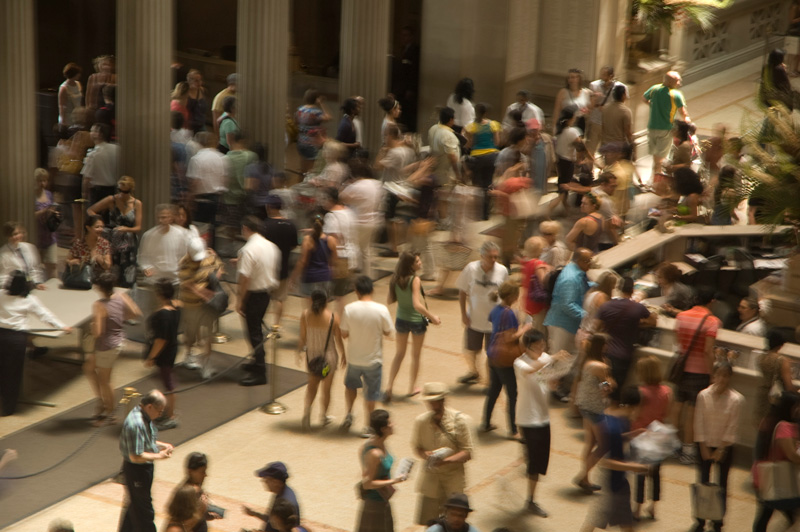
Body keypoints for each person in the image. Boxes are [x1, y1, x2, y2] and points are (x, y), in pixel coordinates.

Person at [580, 387, 650, 532]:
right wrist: (633, 467)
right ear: (634, 406)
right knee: (596, 520)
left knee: (622, 522)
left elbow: (617, 439)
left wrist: (632, 434)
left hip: (619, 482)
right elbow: (606, 462)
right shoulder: (614, 426)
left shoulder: (620, 420)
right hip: (610, 483)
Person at [0, 271, 69, 416]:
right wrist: (61, 326)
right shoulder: (29, 299)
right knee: (13, 373)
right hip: (16, 338)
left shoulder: (1, 294)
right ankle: (8, 408)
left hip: (1, 334)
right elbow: (44, 314)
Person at [515, 329, 565, 517]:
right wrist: (552, 358)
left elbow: (548, 382)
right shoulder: (519, 363)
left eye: (543, 346)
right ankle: (531, 500)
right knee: (535, 464)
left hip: (543, 415)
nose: (541, 349)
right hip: (527, 418)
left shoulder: (544, 358)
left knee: (540, 461)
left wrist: (555, 380)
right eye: (537, 347)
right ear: (527, 348)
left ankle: (528, 459)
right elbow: (530, 370)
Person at [412, 383, 475, 525]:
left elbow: (468, 452)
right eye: (430, 402)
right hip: (430, 480)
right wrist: (425, 455)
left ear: (443, 400)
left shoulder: (460, 421)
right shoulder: (421, 422)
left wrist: (446, 461)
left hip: (453, 480)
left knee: (455, 522)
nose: (433, 405)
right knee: (430, 523)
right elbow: (417, 447)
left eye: (436, 401)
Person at [672, 287, 721, 464]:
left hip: (681, 369)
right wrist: (712, 373)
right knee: (692, 412)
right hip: (699, 371)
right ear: (712, 302)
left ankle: (672, 444)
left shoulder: (681, 316)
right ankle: (688, 450)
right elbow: (708, 351)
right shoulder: (712, 321)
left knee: (677, 407)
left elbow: (678, 341)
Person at [340, 275, 394, 437]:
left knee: (350, 386)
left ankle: (349, 413)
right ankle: (368, 426)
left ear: (356, 291)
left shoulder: (349, 309)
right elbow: (389, 333)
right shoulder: (381, 309)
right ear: (372, 289)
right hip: (373, 360)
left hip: (354, 359)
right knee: (371, 394)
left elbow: (344, 334)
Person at [692, 360, 743, 532]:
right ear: (713, 376)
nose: (722, 379)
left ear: (730, 378)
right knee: (702, 482)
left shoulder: (736, 399)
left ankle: (718, 521)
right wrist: (703, 446)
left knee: (722, 484)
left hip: (725, 446)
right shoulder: (703, 395)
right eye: (719, 374)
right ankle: (699, 520)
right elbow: (698, 422)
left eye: (726, 375)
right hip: (705, 445)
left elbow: (732, 426)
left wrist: (722, 449)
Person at [86, 272, 142, 426]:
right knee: (89, 368)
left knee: (106, 380)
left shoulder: (99, 305)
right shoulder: (121, 296)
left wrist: (92, 326)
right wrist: (119, 318)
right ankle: (101, 401)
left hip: (106, 346)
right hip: (117, 341)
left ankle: (110, 414)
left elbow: (97, 332)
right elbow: (136, 312)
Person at [385, 252, 441, 402]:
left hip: (401, 319)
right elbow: (417, 305)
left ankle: (389, 386)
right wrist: (432, 317)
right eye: (417, 261)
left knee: (399, 354)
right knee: (415, 356)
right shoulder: (414, 280)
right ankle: (411, 388)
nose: (420, 262)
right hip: (416, 321)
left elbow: (389, 300)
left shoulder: (395, 279)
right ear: (411, 265)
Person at [118, 389, 174, 532]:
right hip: (136, 470)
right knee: (144, 512)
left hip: (143, 469)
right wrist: (159, 456)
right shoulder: (136, 423)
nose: (160, 415)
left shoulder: (145, 417)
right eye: (159, 411)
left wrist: (162, 445)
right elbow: (135, 455)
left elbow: (147, 441)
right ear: (149, 407)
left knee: (134, 508)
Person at [482, 280, 531, 437]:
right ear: (512, 296)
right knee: (512, 394)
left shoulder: (496, 309)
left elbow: (492, 321)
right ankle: (513, 430)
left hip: (493, 355)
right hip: (505, 359)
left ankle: (486, 423)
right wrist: (525, 328)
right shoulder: (509, 313)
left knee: (494, 390)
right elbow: (511, 337)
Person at [456, 241, 508, 385]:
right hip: (474, 318)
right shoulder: (471, 268)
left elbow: (507, 293)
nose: (493, 260)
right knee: (471, 349)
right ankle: (474, 372)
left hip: (494, 321)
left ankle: (490, 380)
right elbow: (462, 291)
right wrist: (463, 314)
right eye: (490, 257)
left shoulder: (502, 270)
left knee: (491, 353)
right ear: (482, 256)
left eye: (495, 257)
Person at [237, 216, 281, 386]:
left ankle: (260, 370)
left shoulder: (248, 249)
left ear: (245, 228)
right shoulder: (271, 246)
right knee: (256, 329)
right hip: (266, 292)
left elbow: (245, 278)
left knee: (254, 332)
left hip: (254, 295)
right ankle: (256, 361)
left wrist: (240, 300)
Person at [595, 276, 657, 394]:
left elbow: (596, 327)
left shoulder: (606, 306)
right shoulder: (638, 307)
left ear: (618, 289)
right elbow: (653, 322)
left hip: (605, 353)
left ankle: (602, 405)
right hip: (623, 356)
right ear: (632, 290)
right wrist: (637, 324)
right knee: (616, 387)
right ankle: (611, 408)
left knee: (604, 382)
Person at [751, 393, 800, 532]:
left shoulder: (769, 420)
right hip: (776, 477)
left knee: (766, 514)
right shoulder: (784, 426)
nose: (798, 409)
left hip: (763, 473)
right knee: (772, 513)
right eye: (796, 406)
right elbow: (792, 455)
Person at [631, 355, 672, 521]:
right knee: (655, 473)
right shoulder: (667, 391)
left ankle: (637, 508)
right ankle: (653, 507)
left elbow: (635, 415)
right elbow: (668, 413)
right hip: (658, 435)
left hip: (641, 436)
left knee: (640, 473)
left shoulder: (641, 393)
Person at [298, 289, 345, 430]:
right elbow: (338, 339)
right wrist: (344, 354)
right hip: (329, 358)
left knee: (312, 387)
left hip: (312, 357)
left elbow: (302, 337)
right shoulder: (332, 317)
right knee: (326, 389)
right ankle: (323, 416)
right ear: (326, 302)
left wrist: (298, 351)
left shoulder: (305, 315)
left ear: (311, 301)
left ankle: (307, 412)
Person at [573, 333, 614, 493]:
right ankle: (583, 475)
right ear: (601, 346)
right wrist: (609, 378)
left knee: (590, 443)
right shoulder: (601, 366)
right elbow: (607, 387)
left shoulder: (587, 361)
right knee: (604, 444)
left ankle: (585, 479)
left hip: (584, 405)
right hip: (595, 408)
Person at [178, 237, 222, 378]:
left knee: (206, 335)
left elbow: (220, 267)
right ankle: (188, 354)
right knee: (190, 333)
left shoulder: (209, 257)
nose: (198, 261)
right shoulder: (184, 264)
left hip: (206, 307)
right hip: (190, 305)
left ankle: (206, 363)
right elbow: (188, 285)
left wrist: (215, 278)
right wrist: (207, 293)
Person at [87, 175, 143, 287]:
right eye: (120, 190)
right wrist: (101, 225)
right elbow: (91, 210)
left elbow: (138, 227)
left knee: (128, 275)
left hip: (128, 241)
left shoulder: (137, 203)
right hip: (112, 238)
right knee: (111, 270)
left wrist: (126, 229)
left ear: (131, 190)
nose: (122, 193)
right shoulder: (111, 200)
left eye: (125, 191)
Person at [357, 409, 407, 532]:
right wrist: (393, 481)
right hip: (375, 504)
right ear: (383, 429)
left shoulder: (375, 444)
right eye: (390, 423)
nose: (393, 424)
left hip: (382, 500)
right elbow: (368, 483)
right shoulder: (374, 453)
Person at [143, 278, 181, 430]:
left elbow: (161, 339)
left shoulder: (162, 315)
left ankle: (170, 415)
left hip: (165, 353)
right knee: (167, 383)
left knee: (169, 386)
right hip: (172, 349)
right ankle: (167, 412)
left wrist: (152, 357)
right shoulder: (176, 307)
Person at [341, 161, 384, 279]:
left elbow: (342, 197)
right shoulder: (377, 184)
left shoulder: (356, 186)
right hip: (374, 221)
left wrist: (347, 184)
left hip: (358, 222)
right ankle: (368, 275)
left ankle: (351, 274)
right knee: (366, 249)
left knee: (352, 247)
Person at [643, 71, 691, 175]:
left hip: (652, 127)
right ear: (670, 82)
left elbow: (644, 98)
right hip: (666, 128)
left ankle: (654, 174)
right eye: (677, 81)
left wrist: (652, 104)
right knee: (661, 156)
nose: (679, 83)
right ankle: (657, 175)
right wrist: (686, 119)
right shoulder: (675, 94)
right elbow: (682, 112)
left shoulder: (654, 89)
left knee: (656, 155)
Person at [261, 195, 298, 327]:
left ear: (268, 207)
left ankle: (261, 323)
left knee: (264, 298)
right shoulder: (290, 225)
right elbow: (294, 245)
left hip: (266, 268)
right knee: (280, 299)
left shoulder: (265, 226)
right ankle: (276, 326)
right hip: (283, 267)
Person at [464, 103, 501, 220]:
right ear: (486, 113)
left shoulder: (471, 127)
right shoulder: (493, 125)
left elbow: (469, 143)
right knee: (488, 184)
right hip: (491, 157)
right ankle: (486, 214)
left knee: (477, 185)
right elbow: (497, 142)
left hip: (476, 158)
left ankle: (477, 213)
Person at [754, 330, 797, 427]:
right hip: (774, 398)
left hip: (762, 394)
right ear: (781, 345)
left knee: (761, 426)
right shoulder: (782, 361)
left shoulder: (761, 358)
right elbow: (788, 386)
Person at [243, 461, 301, 532]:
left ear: (277, 482)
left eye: (266, 479)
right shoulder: (280, 493)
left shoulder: (286, 503)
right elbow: (272, 519)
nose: (263, 481)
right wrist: (254, 513)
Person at [138, 204, 188, 284]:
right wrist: (147, 268)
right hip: (155, 280)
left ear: (171, 218)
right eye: (158, 218)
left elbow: (184, 257)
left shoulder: (180, 234)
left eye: (164, 217)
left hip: (175, 280)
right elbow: (143, 257)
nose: (161, 220)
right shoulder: (148, 235)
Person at [291, 215, 336, 301]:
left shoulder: (307, 240)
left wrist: (294, 277)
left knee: (310, 310)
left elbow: (302, 261)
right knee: (323, 307)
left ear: (311, 225)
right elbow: (334, 261)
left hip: (310, 277)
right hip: (325, 277)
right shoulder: (331, 240)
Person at [548, 105, 583, 217]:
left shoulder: (558, 130)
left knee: (562, 186)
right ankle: (547, 212)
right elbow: (580, 147)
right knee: (563, 189)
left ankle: (566, 207)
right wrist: (579, 161)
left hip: (560, 161)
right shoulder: (573, 132)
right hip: (568, 162)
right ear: (570, 119)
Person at [587, 66, 627, 155]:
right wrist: (595, 98)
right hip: (596, 121)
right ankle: (589, 167)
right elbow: (589, 105)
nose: (602, 77)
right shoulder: (594, 85)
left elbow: (622, 105)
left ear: (611, 76)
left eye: (604, 75)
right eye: (601, 74)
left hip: (610, 124)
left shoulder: (620, 87)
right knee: (591, 147)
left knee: (608, 149)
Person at [81, 123, 120, 210]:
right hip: (115, 189)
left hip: (98, 191)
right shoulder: (117, 149)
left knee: (97, 216)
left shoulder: (93, 154)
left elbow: (86, 178)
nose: (90, 133)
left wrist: (84, 194)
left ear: (98, 134)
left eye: (92, 131)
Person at [181, 452, 222, 532]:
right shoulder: (186, 494)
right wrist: (201, 511)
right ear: (191, 471)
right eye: (202, 472)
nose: (205, 475)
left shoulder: (197, 488)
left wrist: (209, 515)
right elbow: (184, 526)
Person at [0, 221, 46, 290]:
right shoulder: (2, 253)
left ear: (21, 233)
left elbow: (36, 268)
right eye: (11, 235)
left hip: (32, 286)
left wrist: (37, 283)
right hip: (14, 289)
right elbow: (2, 276)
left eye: (16, 234)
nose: (14, 237)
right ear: (7, 237)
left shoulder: (31, 247)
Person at [519, 236, 551, 333]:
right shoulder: (538, 264)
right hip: (538, 303)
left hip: (529, 299)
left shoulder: (525, 262)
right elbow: (544, 282)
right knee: (540, 331)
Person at [295, 89, 331, 173]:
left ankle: (299, 183)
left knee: (302, 169)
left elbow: (296, 122)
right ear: (316, 99)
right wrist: (322, 103)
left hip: (301, 141)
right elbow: (328, 117)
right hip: (312, 143)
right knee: (311, 170)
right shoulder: (316, 112)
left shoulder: (299, 110)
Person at [34, 168, 59, 280]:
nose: (43, 183)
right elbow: (29, 216)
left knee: (52, 265)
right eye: (40, 181)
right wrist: (44, 211)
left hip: (49, 235)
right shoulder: (30, 196)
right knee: (35, 267)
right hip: (36, 236)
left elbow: (52, 209)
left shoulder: (49, 194)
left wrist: (55, 214)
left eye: (45, 180)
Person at [428, 107, 462, 187]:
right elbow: (452, 157)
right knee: (444, 194)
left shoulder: (433, 128)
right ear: (451, 120)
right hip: (446, 172)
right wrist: (457, 174)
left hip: (435, 168)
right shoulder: (448, 135)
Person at [58, 62, 83, 128]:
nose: (79, 75)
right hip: (68, 117)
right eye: (78, 73)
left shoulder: (78, 84)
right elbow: (61, 106)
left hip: (78, 116)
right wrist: (63, 120)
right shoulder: (64, 88)